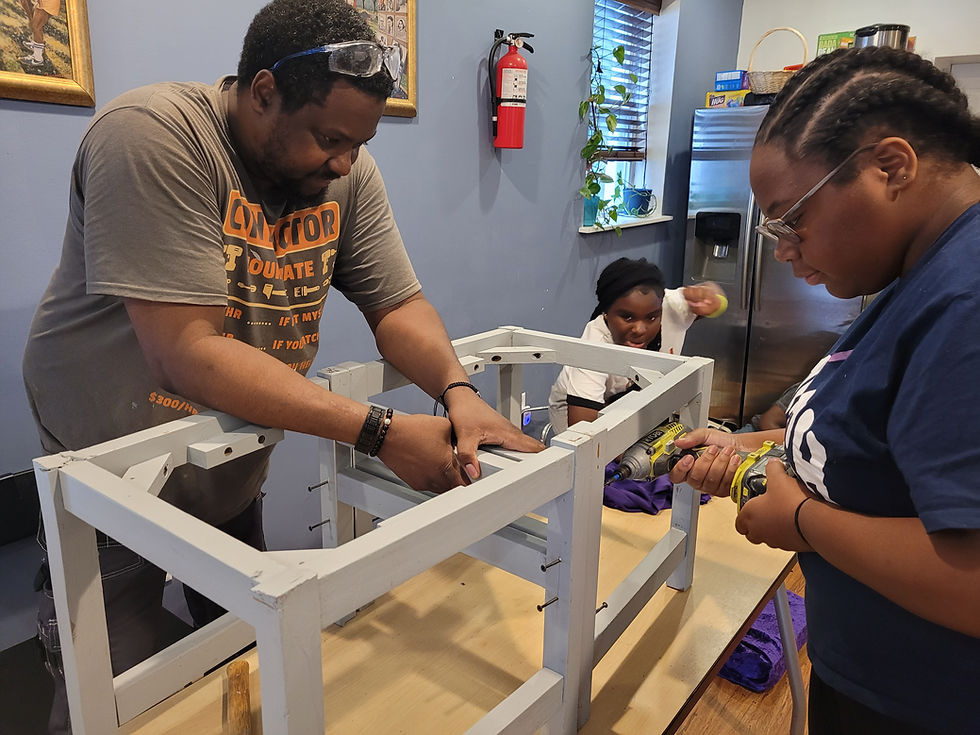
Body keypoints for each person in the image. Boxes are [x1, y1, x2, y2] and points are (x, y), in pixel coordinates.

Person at [21, 1, 541, 731]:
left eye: (359, 143)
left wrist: (458, 389)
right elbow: (187, 353)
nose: (344, 163)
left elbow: (398, 306)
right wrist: (381, 431)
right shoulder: (151, 135)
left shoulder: (344, 172)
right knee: (111, 697)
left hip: (229, 457)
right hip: (110, 469)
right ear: (262, 91)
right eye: (330, 138)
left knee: (248, 652)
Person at [668, 47, 980, 734]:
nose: (783, 248)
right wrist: (754, 443)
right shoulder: (918, 271)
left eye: (790, 219)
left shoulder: (966, 299)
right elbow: (889, 440)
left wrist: (801, 520)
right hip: (868, 678)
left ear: (890, 167)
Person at [547, 257, 726, 435]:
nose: (640, 329)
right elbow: (582, 432)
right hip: (578, 408)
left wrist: (712, 297)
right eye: (627, 317)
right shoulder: (592, 347)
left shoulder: (671, 306)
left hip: (634, 399)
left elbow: (715, 298)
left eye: (651, 317)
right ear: (606, 313)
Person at [19, 0, 60, 67]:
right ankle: (36, 46)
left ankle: (37, 59)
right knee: (36, 25)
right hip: (42, 3)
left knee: (36, 27)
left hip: (48, 4)